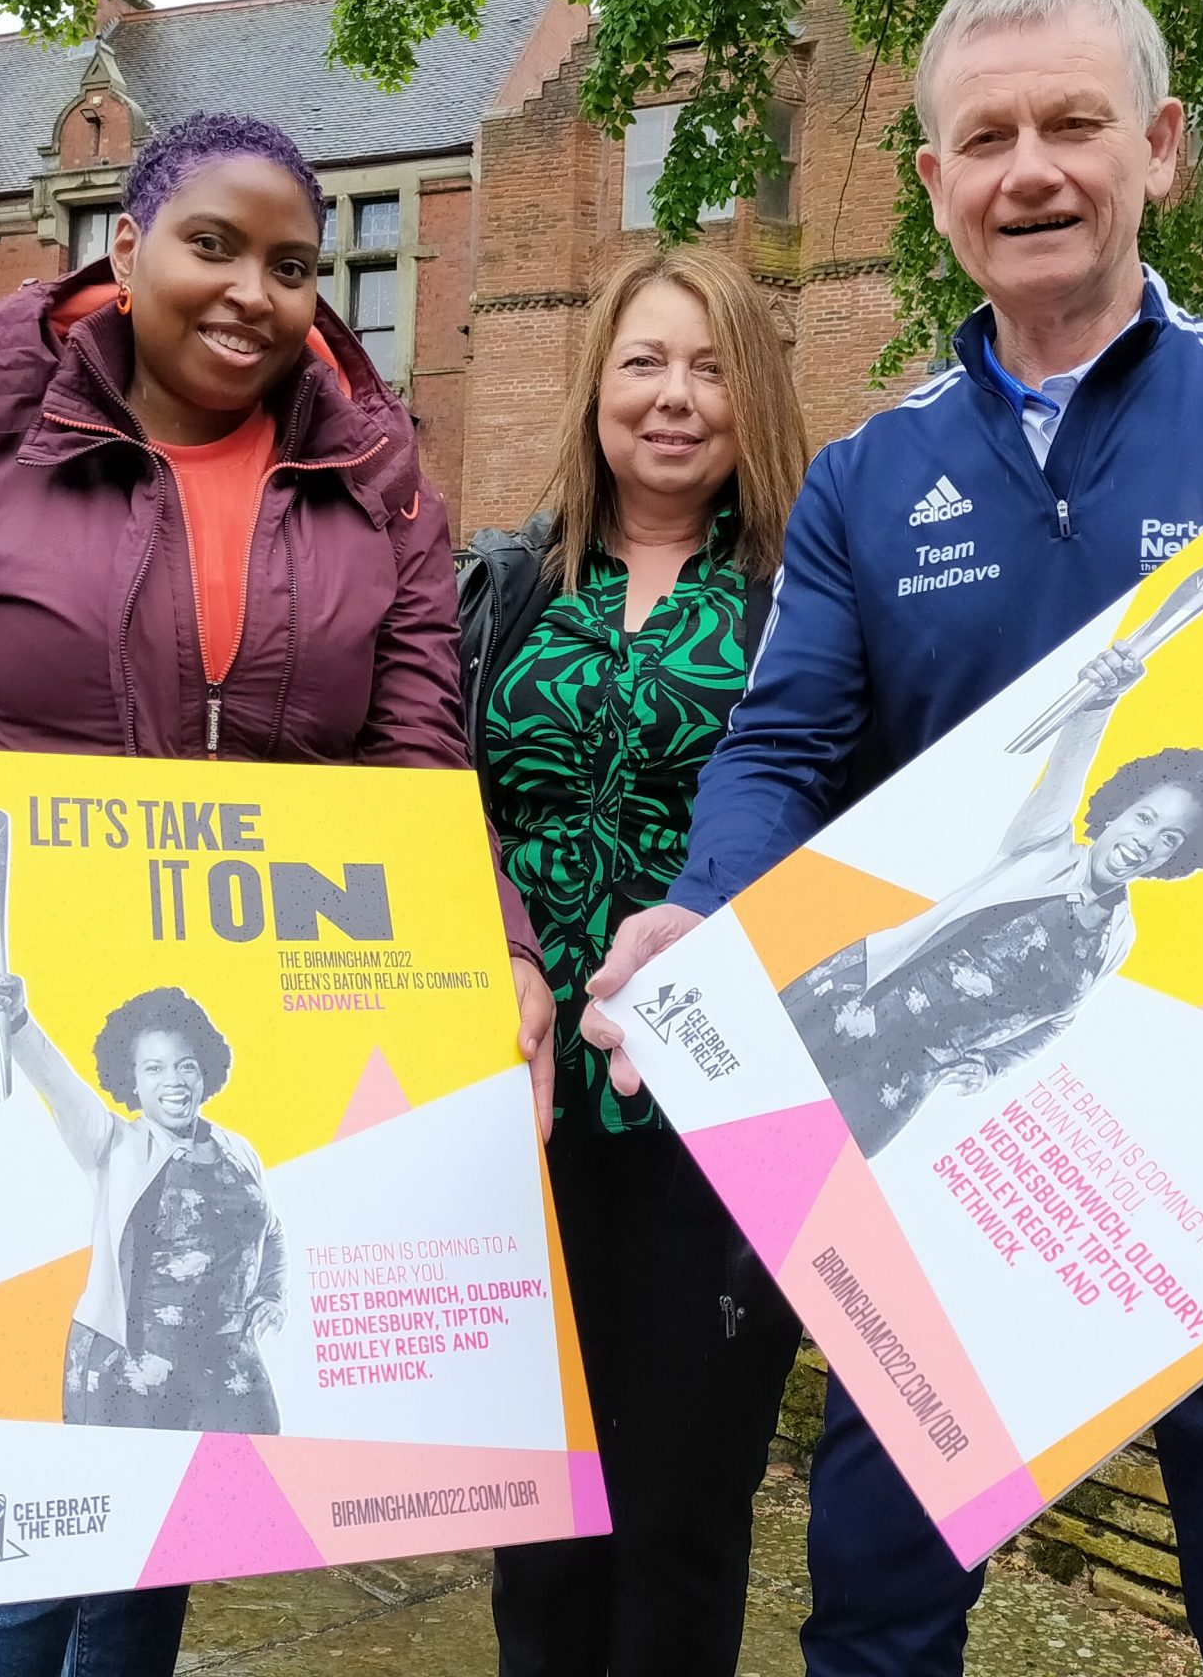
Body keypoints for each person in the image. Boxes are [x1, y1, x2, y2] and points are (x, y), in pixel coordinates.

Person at [579, 0, 1203, 1677]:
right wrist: (711, 907)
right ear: (934, 188)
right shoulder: (867, 478)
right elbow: (785, 746)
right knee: (873, 1622)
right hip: (945, 1174)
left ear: (1162, 148)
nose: (1032, 170)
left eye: (1074, 123)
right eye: (985, 137)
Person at [0, 110, 551, 1677]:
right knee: (37, 1483)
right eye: (213, 245)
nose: (251, 293)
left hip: (251, 1026)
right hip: (25, 1029)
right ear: (124, 250)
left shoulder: (378, 481)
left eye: (291, 265)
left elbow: (420, 766)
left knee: (176, 1480)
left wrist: (502, 960)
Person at [462, 249, 809, 1677]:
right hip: (523, 1095)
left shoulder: (803, 597)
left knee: (681, 1511)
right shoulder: (503, 589)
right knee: (536, 1508)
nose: (676, 399)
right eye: (645, 364)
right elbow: (441, 799)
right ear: (596, 388)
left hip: (719, 1114)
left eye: (712, 367)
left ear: (756, 395)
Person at [784, 648, 1203, 1157]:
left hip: (902, 1079)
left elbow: (1059, 1022)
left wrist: (992, 1066)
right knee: (713, 1125)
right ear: (1117, 811)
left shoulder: (1119, 938)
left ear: (1178, 859)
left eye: (1170, 839)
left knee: (790, 1189)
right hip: (855, 1003)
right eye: (1144, 818)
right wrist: (1101, 701)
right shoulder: (1043, 845)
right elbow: (1066, 769)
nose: (1146, 840)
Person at [0, 972, 285, 1434]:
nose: (174, 1081)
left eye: (186, 1065)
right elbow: (59, 1086)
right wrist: (16, 1018)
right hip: (129, 1371)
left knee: (254, 1489)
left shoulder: (239, 1151)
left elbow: (271, 1230)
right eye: (153, 1068)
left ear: (205, 1071)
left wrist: (273, 1295)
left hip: (226, 1367)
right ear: (131, 1080)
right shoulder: (112, 1143)